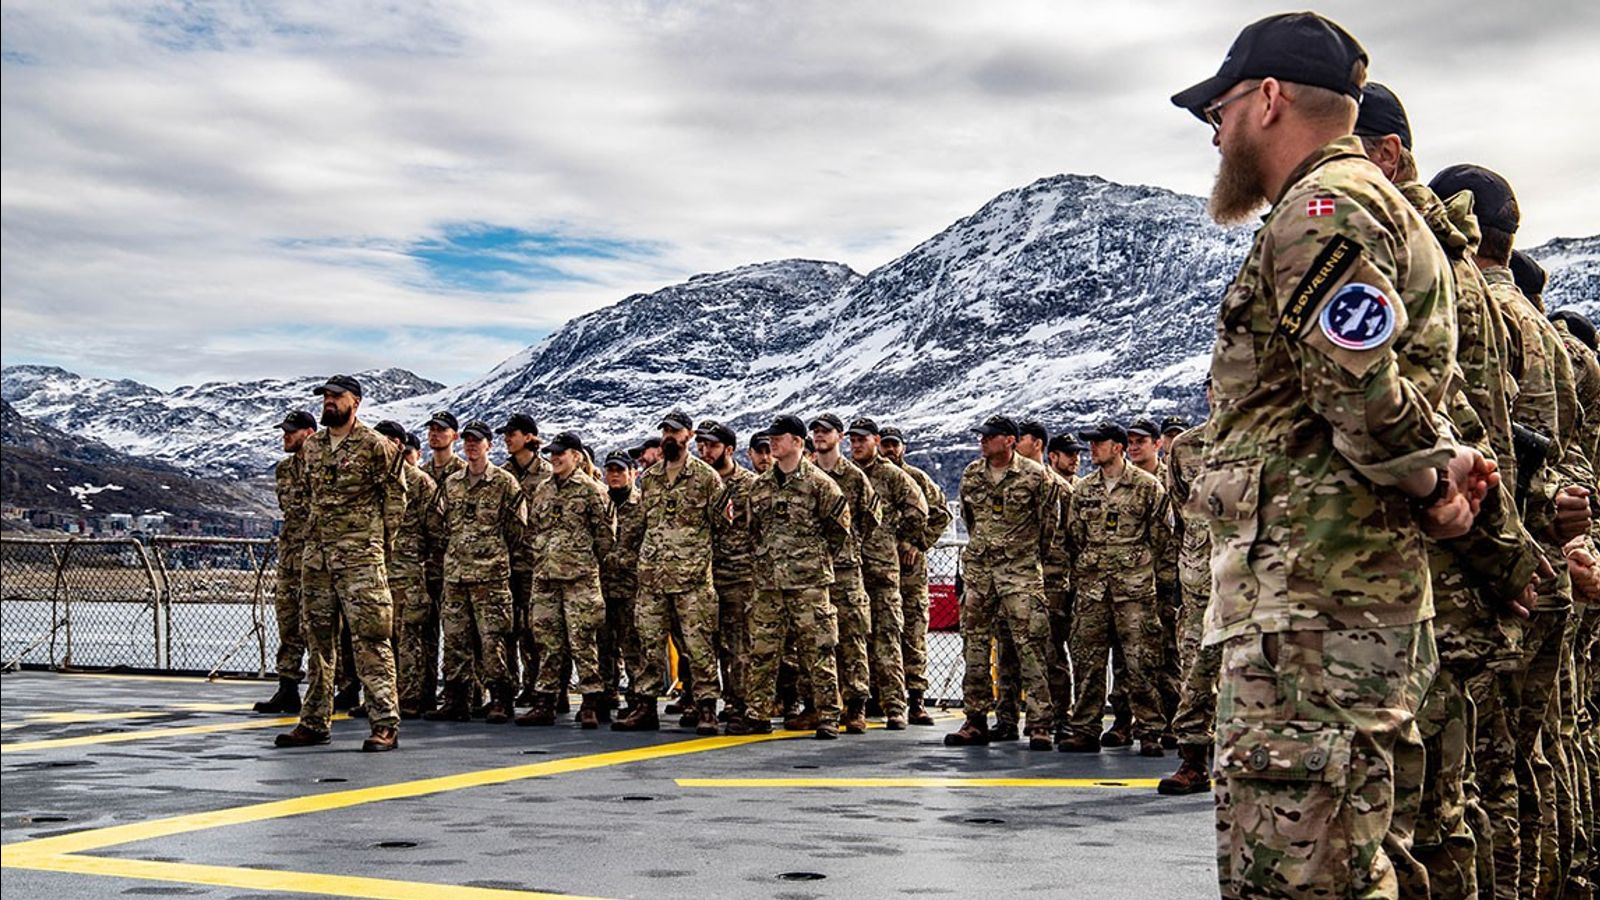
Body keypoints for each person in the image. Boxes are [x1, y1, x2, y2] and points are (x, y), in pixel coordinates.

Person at [1171, 12, 1495, 895]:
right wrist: (1438, 469)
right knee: (1353, 854)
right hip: (1338, 602)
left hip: (1311, 608)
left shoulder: (1325, 209)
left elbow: (1358, 387)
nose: (1217, 131)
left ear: (1269, 98)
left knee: (1303, 873)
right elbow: (1393, 383)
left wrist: (1430, 482)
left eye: (1222, 110)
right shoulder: (1370, 208)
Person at [274, 375, 406, 752]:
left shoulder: (376, 446)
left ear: (356, 402)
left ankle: (384, 724)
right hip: (317, 560)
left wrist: (379, 546)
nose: (329, 402)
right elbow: (307, 499)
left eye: (337, 397)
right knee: (318, 642)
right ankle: (314, 721)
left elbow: (396, 499)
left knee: (371, 641)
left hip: (361, 560)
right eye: (326, 397)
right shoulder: (312, 447)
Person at [729, 414, 849, 739]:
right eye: (771, 437)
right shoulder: (760, 487)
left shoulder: (820, 484)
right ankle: (758, 714)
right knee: (764, 651)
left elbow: (839, 531)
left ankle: (827, 714)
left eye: (779, 437)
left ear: (797, 441)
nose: (772, 443)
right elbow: (753, 531)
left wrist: (810, 560)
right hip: (769, 585)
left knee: (818, 650)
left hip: (808, 584)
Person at [1057, 420, 1170, 757]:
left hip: (1134, 590)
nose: (1091, 449)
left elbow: (1162, 539)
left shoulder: (1147, 487)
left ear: (1117, 448)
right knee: (1088, 662)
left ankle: (1149, 729)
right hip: (1092, 590)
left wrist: (1157, 584)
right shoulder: (1084, 490)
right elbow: (1074, 537)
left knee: (1140, 662)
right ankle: (1085, 729)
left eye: (1098, 443)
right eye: (1090, 443)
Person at [946, 415, 1059, 750]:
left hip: (1020, 573)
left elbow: (1048, 527)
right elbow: (970, 519)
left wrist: (1025, 557)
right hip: (981, 574)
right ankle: (975, 719)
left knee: (1031, 648)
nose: (983, 441)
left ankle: (1039, 723)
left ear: (1010, 440)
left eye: (991, 436)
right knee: (975, 647)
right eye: (982, 436)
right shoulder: (972, 474)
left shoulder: (1036, 477)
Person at [613, 410, 727, 734]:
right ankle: (646, 706)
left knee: (699, 645)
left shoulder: (706, 479)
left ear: (689, 436)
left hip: (692, 581)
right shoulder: (648, 480)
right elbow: (637, 526)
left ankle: (706, 707)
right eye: (665, 431)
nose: (668, 437)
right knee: (649, 644)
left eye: (675, 432)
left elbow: (724, 528)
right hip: (652, 580)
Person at [426, 420, 524, 724]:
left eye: (477, 441)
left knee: (492, 639)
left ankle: (499, 699)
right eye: (467, 440)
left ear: (488, 446)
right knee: (455, 639)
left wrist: (491, 551)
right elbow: (439, 525)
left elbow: (517, 529)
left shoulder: (505, 482)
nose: (471, 445)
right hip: (455, 575)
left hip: (490, 576)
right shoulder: (452, 483)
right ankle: (457, 699)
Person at [517, 431, 615, 728]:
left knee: (583, 641)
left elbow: (606, 537)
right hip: (546, 578)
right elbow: (532, 529)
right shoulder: (543, 490)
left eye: (562, 452)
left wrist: (582, 561)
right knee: (547, 641)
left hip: (580, 580)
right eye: (552, 453)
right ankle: (545, 700)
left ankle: (591, 701)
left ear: (576, 455)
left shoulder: (592, 490)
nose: (555, 457)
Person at [847, 417, 929, 730]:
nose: (856, 445)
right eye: (852, 440)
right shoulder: (848, 475)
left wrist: (909, 541)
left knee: (889, 640)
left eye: (862, 440)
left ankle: (897, 706)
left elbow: (921, 510)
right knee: (856, 640)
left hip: (883, 571)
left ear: (875, 441)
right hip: (854, 570)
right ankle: (860, 703)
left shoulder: (893, 476)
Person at [810, 412, 880, 734]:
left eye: (826, 431)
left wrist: (848, 546)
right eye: (815, 431)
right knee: (818, 641)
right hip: (814, 571)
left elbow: (870, 517)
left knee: (853, 638)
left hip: (846, 569)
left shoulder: (853, 477)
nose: (819, 436)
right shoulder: (806, 474)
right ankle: (822, 705)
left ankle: (855, 707)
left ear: (838, 436)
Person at [880, 426, 953, 725]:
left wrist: (917, 542)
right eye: (884, 444)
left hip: (909, 572)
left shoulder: (917, 479)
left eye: (894, 444)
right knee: (880, 634)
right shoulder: (868, 478)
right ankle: (881, 697)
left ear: (903, 448)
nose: (889, 450)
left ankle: (916, 700)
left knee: (913, 634)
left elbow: (941, 514)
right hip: (877, 569)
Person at [373, 420, 438, 721]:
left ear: (399, 444)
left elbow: (437, 530)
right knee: (379, 639)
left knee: (410, 638)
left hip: (410, 573)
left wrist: (422, 562)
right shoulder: (373, 480)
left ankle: (411, 698)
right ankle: (381, 698)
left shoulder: (421, 482)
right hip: (379, 572)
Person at [254, 409, 316, 715]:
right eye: (284, 431)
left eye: (291, 431)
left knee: (318, 628)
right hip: (291, 557)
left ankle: (329, 691)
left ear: (309, 433)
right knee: (288, 624)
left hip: (318, 558)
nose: (286, 436)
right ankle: (288, 687)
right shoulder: (284, 470)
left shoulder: (322, 467)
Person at [696, 420, 758, 723]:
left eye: (712, 445)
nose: (705, 451)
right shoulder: (697, 481)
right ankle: (704, 702)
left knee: (738, 645)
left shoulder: (748, 485)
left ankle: (738, 702)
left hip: (738, 575)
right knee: (704, 644)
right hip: (701, 576)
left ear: (729, 450)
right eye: (701, 445)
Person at [499, 413, 548, 708]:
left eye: (513, 433)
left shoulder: (546, 474)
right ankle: (511, 684)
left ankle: (537, 684)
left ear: (529, 437)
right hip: (505, 562)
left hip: (535, 563)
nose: (508, 438)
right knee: (507, 627)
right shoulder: (502, 474)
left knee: (534, 628)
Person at [600, 450, 646, 716]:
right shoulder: (599, 503)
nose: (615, 475)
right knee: (603, 644)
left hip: (631, 587)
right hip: (603, 585)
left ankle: (637, 697)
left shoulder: (642, 505)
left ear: (632, 473)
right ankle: (607, 692)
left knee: (633, 646)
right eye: (611, 470)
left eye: (620, 470)